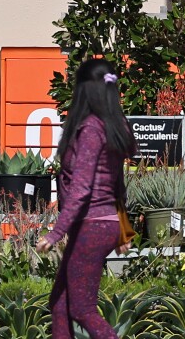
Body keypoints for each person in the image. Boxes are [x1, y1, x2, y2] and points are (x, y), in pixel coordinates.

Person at [35, 58, 137, 339]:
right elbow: (117, 184)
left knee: (82, 309)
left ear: (85, 91)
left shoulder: (91, 129)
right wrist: (124, 231)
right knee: (59, 303)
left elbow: (81, 189)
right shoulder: (114, 126)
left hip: (91, 226)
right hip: (104, 224)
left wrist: (55, 234)